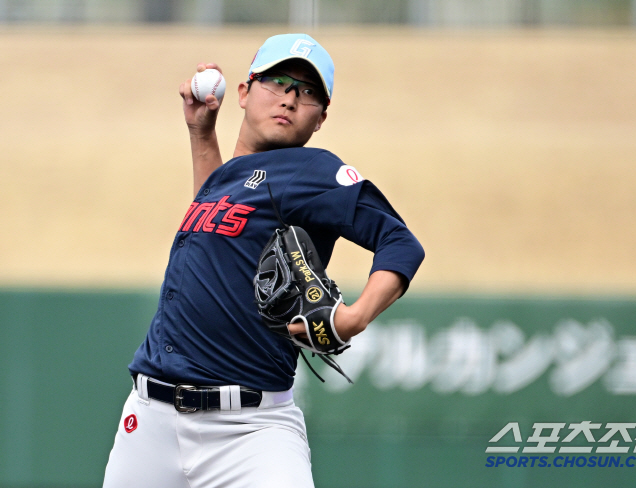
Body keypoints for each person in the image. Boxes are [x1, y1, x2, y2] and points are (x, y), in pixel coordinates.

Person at [102, 33, 424, 488]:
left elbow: (400, 241)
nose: (290, 98)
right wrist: (201, 132)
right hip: (149, 419)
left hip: (250, 431)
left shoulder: (314, 172)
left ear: (321, 120)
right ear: (243, 93)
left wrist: (352, 318)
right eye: (277, 81)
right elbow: (217, 227)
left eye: (308, 91)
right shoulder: (229, 177)